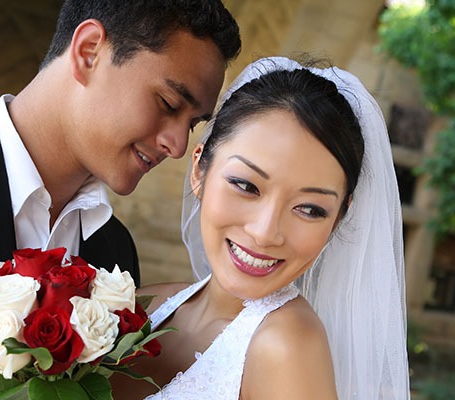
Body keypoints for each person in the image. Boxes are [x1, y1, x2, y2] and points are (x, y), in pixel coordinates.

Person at [0, 1, 240, 397]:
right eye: (168, 104)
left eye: (193, 123)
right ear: (89, 51)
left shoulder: (115, 253)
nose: (178, 144)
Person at [110, 57, 410, 399]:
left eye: (309, 209)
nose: (266, 232)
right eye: (246, 185)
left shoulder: (286, 347)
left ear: (340, 217)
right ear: (199, 170)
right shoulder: (145, 305)